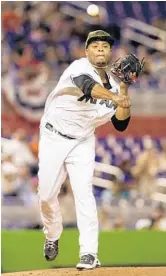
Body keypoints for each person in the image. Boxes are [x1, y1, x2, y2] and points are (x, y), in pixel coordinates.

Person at [38, 30, 133, 270]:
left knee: (84, 195)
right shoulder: (78, 68)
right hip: (53, 136)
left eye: (105, 46)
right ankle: (52, 234)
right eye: (95, 45)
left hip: (82, 141)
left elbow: (121, 123)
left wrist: (124, 90)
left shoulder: (115, 85)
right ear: (86, 51)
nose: (100, 48)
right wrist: (114, 95)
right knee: (46, 196)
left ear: (110, 52)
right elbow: (87, 86)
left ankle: (89, 253)